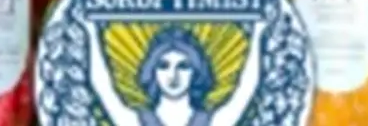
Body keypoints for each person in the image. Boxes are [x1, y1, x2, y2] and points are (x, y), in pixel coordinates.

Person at [81, 22, 265, 126]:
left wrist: (259, 32)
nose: (173, 75)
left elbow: (247, 88)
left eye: (183, 66)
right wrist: (89, 31)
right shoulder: (139, 121)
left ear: (196, 72)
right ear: (152, 72)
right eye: (164, 66)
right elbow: (102, 87)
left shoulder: (210, 121)